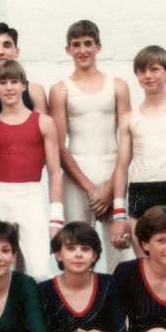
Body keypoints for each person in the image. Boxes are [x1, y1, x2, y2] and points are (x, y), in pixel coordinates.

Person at [48, 20, 132, 272]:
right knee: (77, 247)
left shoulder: (117, 85)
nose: (82, 50)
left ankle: (119, 310)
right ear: (68, 50)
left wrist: (110, 188)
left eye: (88, 44)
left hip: (112, 171)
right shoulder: (61, 89)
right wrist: (89, 188)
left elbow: (127, 139)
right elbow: (59, 146)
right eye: (76, 45)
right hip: (77, 175)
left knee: (119, 248)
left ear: (98, 47)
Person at [0, 59, 63, 281]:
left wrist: (56, 219)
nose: (9, 87)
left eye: (14, 81)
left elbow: (55, 171)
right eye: (3, 82)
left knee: (39, 269)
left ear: (24, 85)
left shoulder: (44, 122)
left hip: (31, 195)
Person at [110, 45, 166, 258]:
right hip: (140, 192)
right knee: (144, 265)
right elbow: (122, 167)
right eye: (142, 71)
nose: (148, 76)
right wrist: (119, 214)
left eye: (154, 69)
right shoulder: (129, 119)